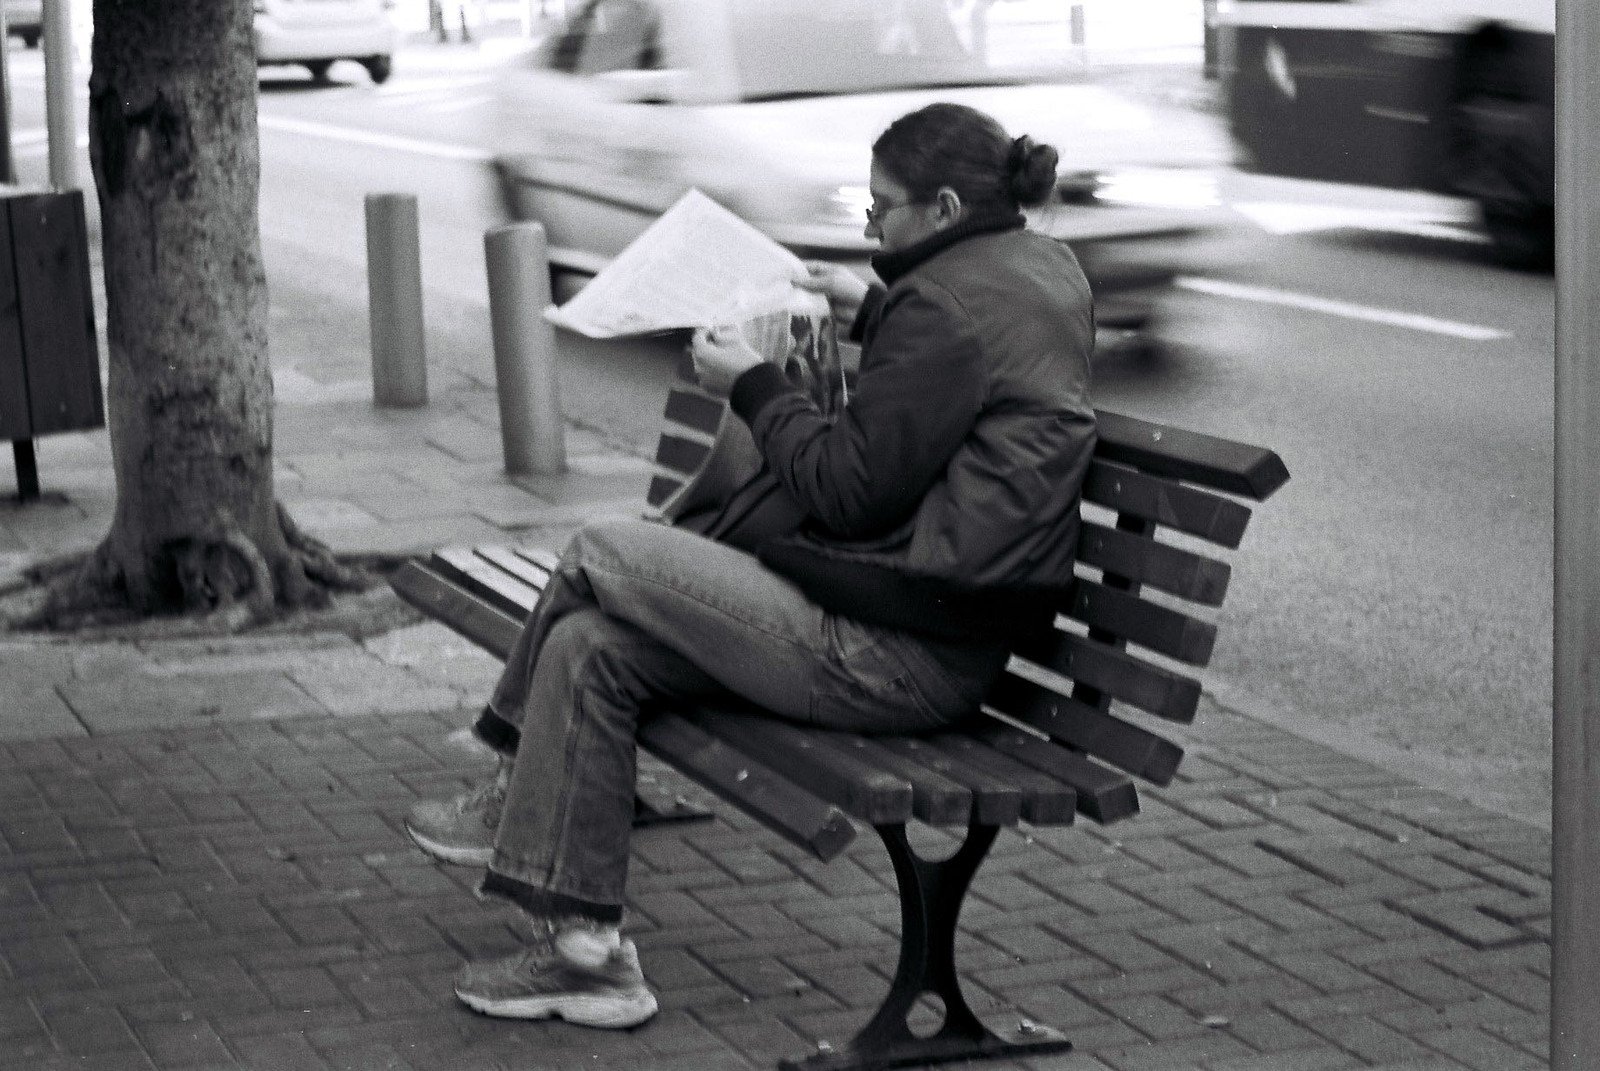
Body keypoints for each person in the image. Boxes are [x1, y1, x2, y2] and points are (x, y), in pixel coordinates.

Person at [402, 101, 1098, 1029]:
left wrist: (757, 384)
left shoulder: (948, 307)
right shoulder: (1041, 266)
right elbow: (974, 365)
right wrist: (876, 302)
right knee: (591, 647)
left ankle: (503, 769)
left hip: (892, 652)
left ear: (939, 208)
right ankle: (587, 957)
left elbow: (851, 492)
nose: (870, 228)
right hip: (924, 629)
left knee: (599, 550)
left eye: (880, 212)